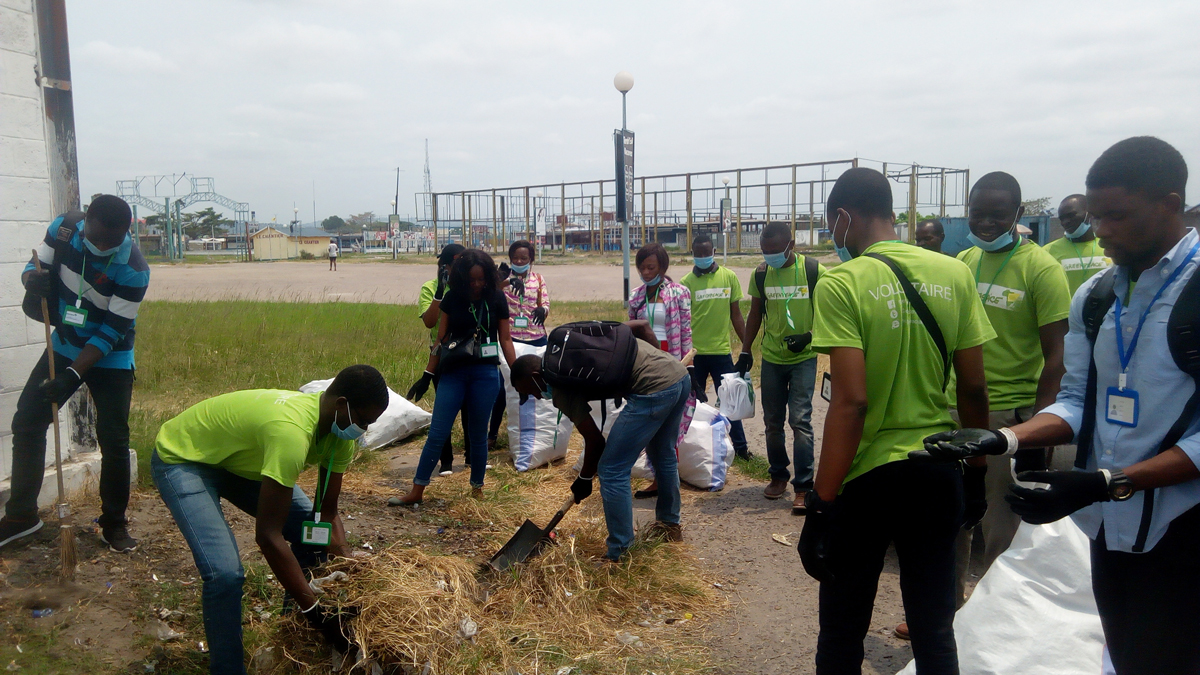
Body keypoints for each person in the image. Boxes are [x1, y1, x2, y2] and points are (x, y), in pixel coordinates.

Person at [918, 137, 1200, 675]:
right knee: (1126, 652)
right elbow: (1076, 400)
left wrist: (1106, 482)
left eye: (1117, 216)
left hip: (1183, 530)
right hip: (1111, 531)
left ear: (1171, 205)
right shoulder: (1097, 297)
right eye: (1097, 216)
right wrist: (1005, 439)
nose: (1101, 231)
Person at [800, 167, 993, 675]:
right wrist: (975, 475)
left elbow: (852, 403)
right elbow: (973, 388)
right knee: (934, 627)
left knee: (843, 629)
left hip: (867, 479)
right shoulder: (955, 274)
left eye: (830, 226)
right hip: (938, 467)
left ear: (843, 218)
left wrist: (821, 503)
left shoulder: (842, 282)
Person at [152, 365, 389, 675]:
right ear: (341, 404)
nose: (363, 429)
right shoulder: (291, 433)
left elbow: (326, 514)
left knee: (310, 535)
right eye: (362, 421)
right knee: (224, 575)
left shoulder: (340, 434)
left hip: (236, 459)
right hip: (184, 457)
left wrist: (346, 561)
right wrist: (316, 612)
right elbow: (267, 536)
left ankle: (292, 635)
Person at [1, 196, 148, 553]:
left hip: (110, 356)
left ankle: (113, 525)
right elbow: (35, 265)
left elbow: (112, 332)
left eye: (110, 242)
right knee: (28, 422)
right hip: (65, 341)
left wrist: (71, 375)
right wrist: (30, 280)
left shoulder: (133, 267)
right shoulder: (64, 228)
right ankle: (21, 516)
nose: (101, 247)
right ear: (87, 223)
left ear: (125, 232)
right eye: (95, 239)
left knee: (113, 439)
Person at [953, 171, 1071, 600]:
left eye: (997, 215)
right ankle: (944, 610)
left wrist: (1040, 425)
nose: (986, 223)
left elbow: (1057, 356)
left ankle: (990, 619)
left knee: (1000, 526)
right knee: (953, 515)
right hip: (958, 407)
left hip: (1008, 418)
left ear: (1019, 214)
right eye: (977, 214)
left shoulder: (1042, 269)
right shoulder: (963, 262)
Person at [511, 320, 691, 561]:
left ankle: (620, 552)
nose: (536, 397)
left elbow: (595, 441)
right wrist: (656, 359)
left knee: (612, 469)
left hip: (653, 389)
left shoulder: (559, 384)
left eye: (531, 392)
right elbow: (637, 327)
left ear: (535, 376)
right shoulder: (569, 348)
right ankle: (670, 526)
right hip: (677, 375)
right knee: (662, 453)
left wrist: (584, 479)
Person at [394, 249, 516, 505]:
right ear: (462, 278)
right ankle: (417, 491)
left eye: (482, 279)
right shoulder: (452, 298)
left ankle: (477, 489)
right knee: (438, 432)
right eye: (472, 280)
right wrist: (428, 374)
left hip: (485, 373)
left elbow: (505, 338)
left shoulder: (496, 298)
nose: (477, 284)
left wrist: (516, 371)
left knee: (477, 434)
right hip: (453, 372)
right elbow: (439, 338)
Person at [740, 221, 824, 513]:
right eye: (765, 251)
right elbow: (754, 312)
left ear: (792, 245)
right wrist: (746, 349)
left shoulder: (813, 271)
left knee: (800, 421)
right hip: (773, 359)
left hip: (803, 358)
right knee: (772, 422)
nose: (769, 256)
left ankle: (803, 486)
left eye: (775, 251)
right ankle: (778, 476)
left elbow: (828, 314)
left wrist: (809, 337)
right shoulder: (762, 274)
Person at [628, 243, 694, 498]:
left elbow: (686, 330)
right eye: (641, 267)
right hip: (647, 365)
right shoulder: (636, 296)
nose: (645, 272)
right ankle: (660, 477)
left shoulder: (679, 293)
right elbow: (631, 331)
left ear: (663, 267)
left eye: (651, 267)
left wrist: (690, 365)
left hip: (673, 362)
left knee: (671, 425)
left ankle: (666, 478)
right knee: (652, 423)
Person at [680, 233, 752, 460]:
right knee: (694, 404)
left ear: (714, 252)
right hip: (695, 355)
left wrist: (746, 346)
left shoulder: (729, 277)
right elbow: (682, 323)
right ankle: (696, 449)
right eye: (698, 254)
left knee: (731, 402)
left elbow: (737, 316)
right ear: (692, 255)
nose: (703, 257)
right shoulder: (685, 284)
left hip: (721, 352)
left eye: (706, 253)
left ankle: (741, 449)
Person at [410, 243, 471, 476]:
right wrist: (440, 292)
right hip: (443, 355)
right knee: (445, 408)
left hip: (470, 354)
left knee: (470, 409)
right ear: (444, 266)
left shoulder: (471, 286)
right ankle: (445, 460)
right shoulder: (430, 287)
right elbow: (429, 321)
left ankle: (471, 457)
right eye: (454, 263)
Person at [487, 240, 551, 447]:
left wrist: (544, 311)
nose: (519, 261)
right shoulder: (504, 278)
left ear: (530, 260)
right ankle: (493, 433)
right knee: (503, 387)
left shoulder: (538, 279)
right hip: (512, 338)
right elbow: (490, 293)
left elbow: (545, 303)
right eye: (515, 258)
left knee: (541, 381)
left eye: (523, 258)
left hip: (536, 337)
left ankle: (541, 429)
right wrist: (505, 282)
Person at [1045, 194, 1113, 296]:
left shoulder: (1110, 248)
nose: (1065, 222)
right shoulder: (1047, 252)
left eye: (1071, 215)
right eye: (1062, 218)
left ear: (1089, 213)